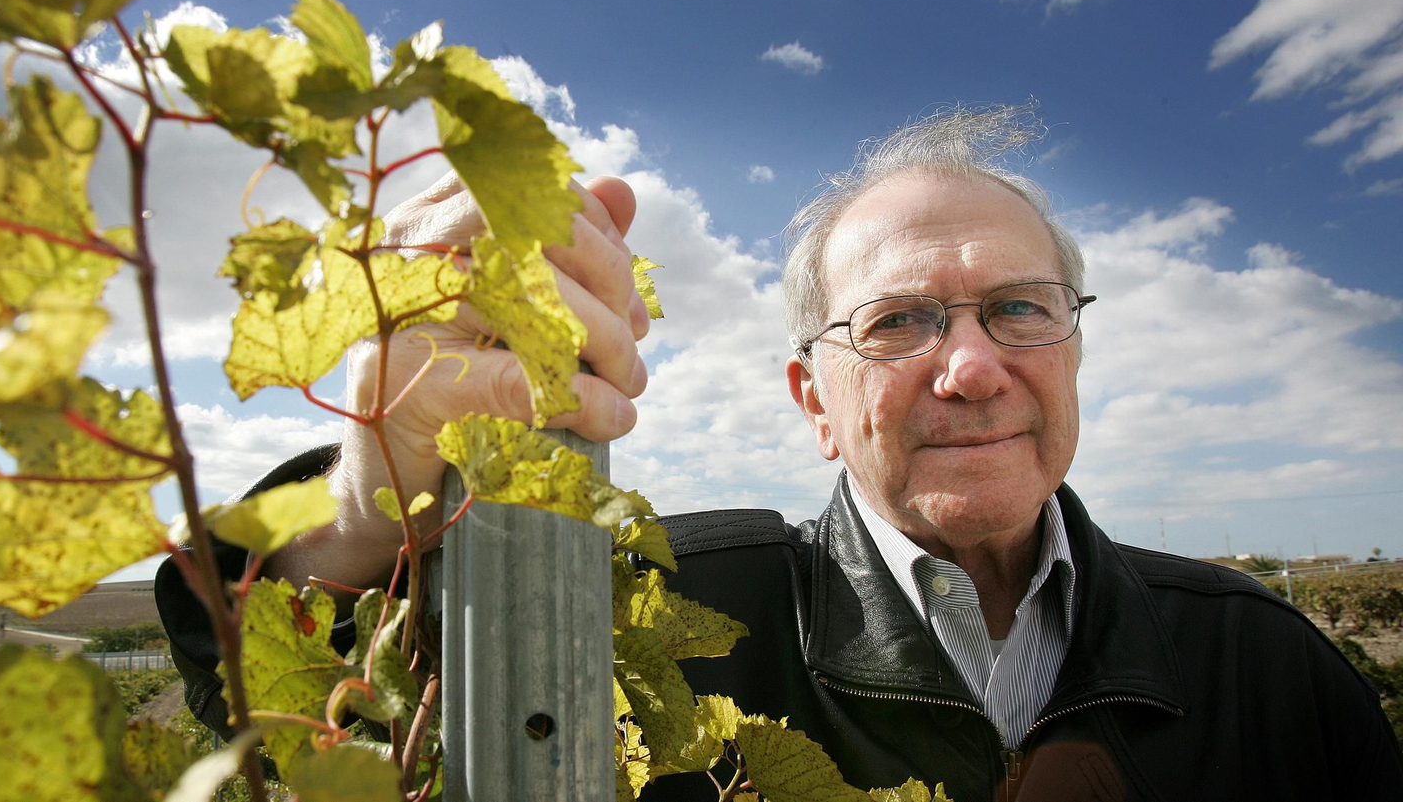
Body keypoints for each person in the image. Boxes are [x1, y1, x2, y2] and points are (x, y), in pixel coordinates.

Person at [157, 107, 1403, 800]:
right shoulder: (658, 611)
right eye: (900, 321)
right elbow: (274, 705)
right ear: (814, 397)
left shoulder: (1264, 663)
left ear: (1070, 350)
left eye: (1019, 310)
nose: (970, 366)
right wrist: (379, 507)